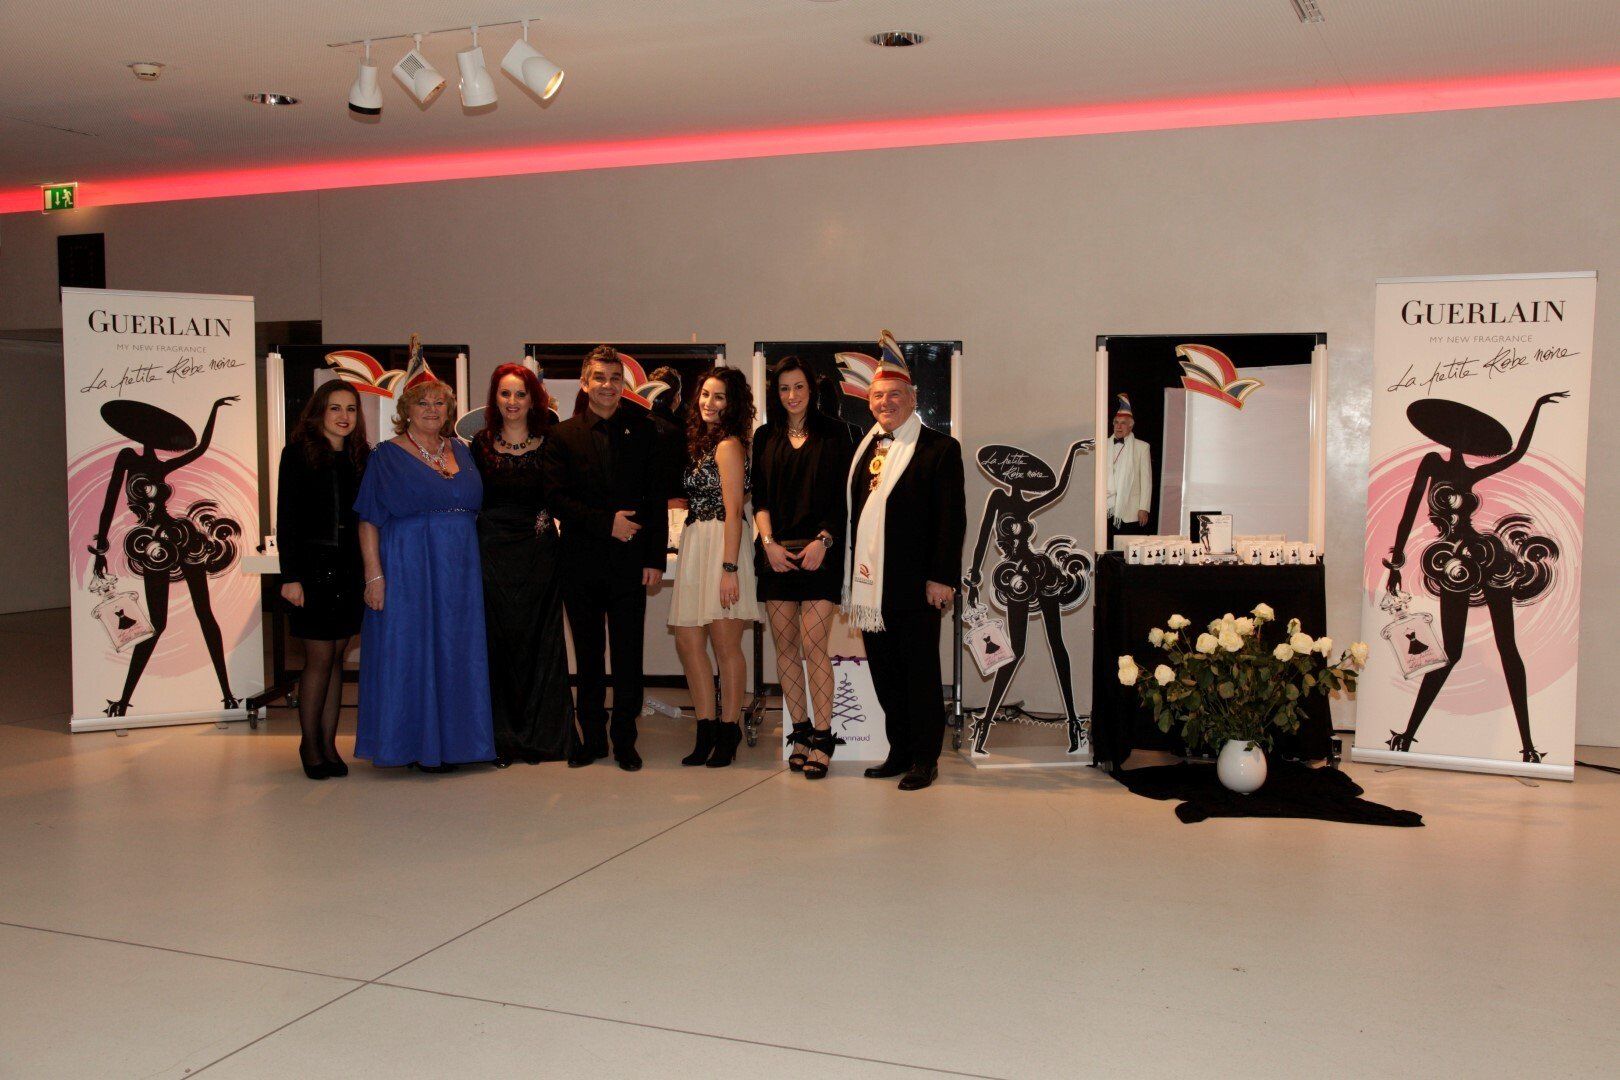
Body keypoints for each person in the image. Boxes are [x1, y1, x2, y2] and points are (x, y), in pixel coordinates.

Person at [1383, 392, 1567, 763]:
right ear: (1447, 433)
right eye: (1458, 433)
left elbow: (1517, 455)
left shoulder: (1470, 473)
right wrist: (1397, 561)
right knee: (1451, 652)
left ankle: (1528, 746)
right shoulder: (1432, 463)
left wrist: (1536, 406)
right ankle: (1407, 734)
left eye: (1468, 435)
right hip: (1453, 562)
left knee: (1507, 646)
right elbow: (1408, 511)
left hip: (1486, 555)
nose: (1462, 440)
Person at [354, 370, 495, 772]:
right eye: (422, 402)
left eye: (439, 403)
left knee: (457, 652)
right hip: (408, 568)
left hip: (460, 573)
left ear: (449, 410)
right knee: (411, 651)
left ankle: (459, 743)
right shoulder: (386, 455)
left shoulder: (463, 451)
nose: (432, 409)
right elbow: (369, 520)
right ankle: (413, 744)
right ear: (406, 410)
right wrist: (374, 576)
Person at [845, 331, 966, 791]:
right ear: (869, 401)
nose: (886, 402)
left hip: (917, 585)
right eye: (878, 396)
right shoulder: (865, 449)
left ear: (913, 398)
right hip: (871, 586)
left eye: (895, 394)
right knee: (885, 672)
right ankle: (899, 750)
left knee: (919, 673)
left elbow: (951, 519)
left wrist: (941, 577)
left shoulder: (940, 449)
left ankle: (925, 758)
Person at [543, 346, 669, 771]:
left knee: (628, 657)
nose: (608, 385)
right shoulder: (562, 435)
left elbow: (655, 499)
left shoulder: (645, 431)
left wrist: (655, 559)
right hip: (579, 563)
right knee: (589, 656)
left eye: (615, 378)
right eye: (599, 377)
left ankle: (625, 740)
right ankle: (593, 739)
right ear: (585, 383)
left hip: (631, 564)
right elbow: (556, 498)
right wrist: (605, 523)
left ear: (623, 385)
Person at [89, 395, 242, 718]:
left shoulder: (160, 465)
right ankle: (124, 700)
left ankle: (228, 696)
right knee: (157, 622)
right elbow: (109, 502)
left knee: (204, 612)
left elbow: (200, 449)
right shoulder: (127, 458)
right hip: (152, 544)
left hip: (180, 536)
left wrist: (214, 409)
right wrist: (101, 549)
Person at [752, 356, 856, 779]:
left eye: (798, 386)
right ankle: (799, 733)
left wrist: (824, 542)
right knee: (786, 649)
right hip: (776, 554)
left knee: (814, 646)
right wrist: (768, 545)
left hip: (820, 555)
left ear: (811, 389)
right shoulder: (764, 436)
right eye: (783, 388)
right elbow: (760, 500)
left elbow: (844, 500)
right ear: (775, 394)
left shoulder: (836, 433)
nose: (791, 395)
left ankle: (824, 736)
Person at [471, 364, 575, 766]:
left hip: (539, 556)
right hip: (492, 557)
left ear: (534, 399)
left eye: (520, 394)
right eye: (505, 393)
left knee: (540, 644)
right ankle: (500, 739)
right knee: (497, 645)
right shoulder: (479, 445)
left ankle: (543, 738)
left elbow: (565, 496)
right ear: (494, 399)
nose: (512, 401)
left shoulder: (552, 442)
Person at [963, 440, 1092, 756]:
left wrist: (1072, 451)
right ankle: (984, 725)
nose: (1017, 478)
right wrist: (975, 578)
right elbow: (983, 538)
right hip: (1016, 577)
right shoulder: (998, 498)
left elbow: (1058, 490)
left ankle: (1074, 724)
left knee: (1056, 642)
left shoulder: (1027, 504)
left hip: (1039, 569)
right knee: (1016, 650)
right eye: (1013, 473)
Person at [669, 367, 764, 768]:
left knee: (726, 647)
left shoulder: (728, 446)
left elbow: (733, 511)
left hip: (723, 546)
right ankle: (704, 727)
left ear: (732, 403)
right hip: (695, 543)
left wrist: (729, 569)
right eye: (705, 394)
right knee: (688, 642)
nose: (709, 403)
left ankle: (728, 729)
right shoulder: (698, 443)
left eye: (719, 396)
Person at [277, 381, 369, 779]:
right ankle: (309, 745)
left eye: (350, 409)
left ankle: (329, 745)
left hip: (349, 570)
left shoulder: (360, 457)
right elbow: (287, 518)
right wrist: (291, 576)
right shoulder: (297, 454)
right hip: (312, 570)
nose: (343, 416)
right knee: (318, 659)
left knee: (336, 659)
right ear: (319, 412)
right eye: (335, 408)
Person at [1105, 393, 1153, 547]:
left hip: (1130, 510)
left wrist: (1144, 508)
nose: (1118, 426)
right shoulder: (1103, 445)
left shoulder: (1142, 447)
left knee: (1127, 551)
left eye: (1123, 423)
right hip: (1107, 508)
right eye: (1116, 423)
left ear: (1131, 426)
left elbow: (1146, 481)